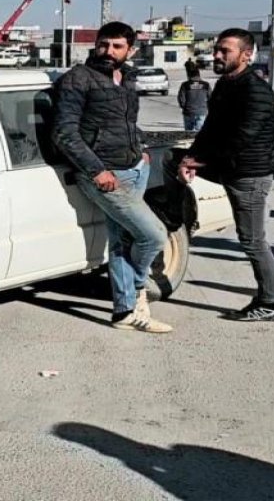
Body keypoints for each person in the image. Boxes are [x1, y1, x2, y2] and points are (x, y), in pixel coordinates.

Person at [52, 21, 173, 334]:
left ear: (129, 50)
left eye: (117, 46)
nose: (108, 51)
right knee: (154, 235)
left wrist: (142, 149)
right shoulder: (78, 79)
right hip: (106, 175)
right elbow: (64, 134)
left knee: (121, 243)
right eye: (103, 44)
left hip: (134, 167)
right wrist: (97, 171)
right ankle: (137, 290)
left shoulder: (127, 78)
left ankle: (124, 313)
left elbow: (127, 123)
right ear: (96, 45)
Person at [178, 28, 274, 322]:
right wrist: (191, 156)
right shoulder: (224, 85)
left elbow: (241, 139)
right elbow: (211, 127)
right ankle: (174, 220)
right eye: (217, 50)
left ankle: (271, 303)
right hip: (226, 166)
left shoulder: (257, 92)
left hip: (249, 174)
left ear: (246, 55)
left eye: (226, 51)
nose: (218, 55)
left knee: (252, 240)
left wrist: (201, 160)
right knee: (171, 158)